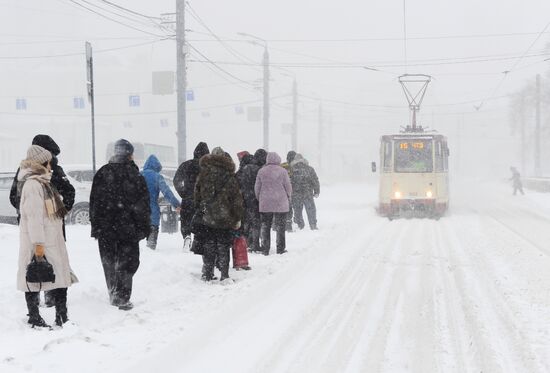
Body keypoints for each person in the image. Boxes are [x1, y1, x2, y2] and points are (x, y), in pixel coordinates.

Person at [10, 134, 75, 308]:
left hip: (49, 224)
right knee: (41, 262)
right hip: (38, 226)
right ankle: (43, 301)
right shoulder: (33, 176)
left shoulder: (39, 172)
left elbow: (69, 192)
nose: (52, 161)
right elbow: (17, 198)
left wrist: (57, 211)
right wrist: (32, 211)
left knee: (47, 262)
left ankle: (49, 296)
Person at [89, 139, 150, 310]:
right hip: (127, 229)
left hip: (105, 229)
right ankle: (122, 296)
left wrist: (96, 226)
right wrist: (143, 228)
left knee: (108, 261)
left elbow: (94, 202)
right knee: (127, 262)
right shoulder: (135, 176)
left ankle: (113, 291)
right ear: (130, 155)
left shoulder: (102, 173)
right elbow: (142, 206)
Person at [193, 147, 244, 281]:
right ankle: (225, 275)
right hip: (225, 216)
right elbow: (236, 199)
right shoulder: (229, 176)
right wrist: (237, 217)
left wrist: (200, 208)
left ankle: (208, 274)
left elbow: (197, 196)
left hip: (208, 216)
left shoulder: (203, 174)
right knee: (223, 246)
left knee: (209, 245)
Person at [173, 142, 210, 250]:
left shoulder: (186, 164)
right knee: (201, 221)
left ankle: (187, 236)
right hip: (202, 200)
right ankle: (199, 242)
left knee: (186, 220)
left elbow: (176, 180)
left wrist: (183, 192)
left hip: (188, 198)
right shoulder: (207, 166)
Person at [255, 152, 292, 255]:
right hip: (280, 202)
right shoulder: (283, 171)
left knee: (265, 226)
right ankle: (280, 248)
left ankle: (265, 248)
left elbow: (257, 188)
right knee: (280, 227)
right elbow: (288, 186)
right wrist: (288, 196)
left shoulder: (261, 171)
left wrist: (260, 198)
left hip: (265, 203)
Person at [141, 155, 181, 250]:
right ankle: (151, 251)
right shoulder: (157, 177)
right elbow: (167, 192)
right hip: (152, 212)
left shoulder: (138, 175)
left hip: (138, 212)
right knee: (151, 242)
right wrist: (177, 205)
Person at [239, 149, 267, 253]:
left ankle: (246, 242)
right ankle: (255, 244)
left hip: (244, 198)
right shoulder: (259, 169)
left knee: (246, 221)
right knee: (256, 222)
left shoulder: (245, 168)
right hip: (256, 198)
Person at [291, 154, 320, 230]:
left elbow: (290, 182)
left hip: (296, 193)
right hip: (307, 192)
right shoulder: (309, 169)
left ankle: (300, 224)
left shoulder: (292, 169)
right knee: (310, 209)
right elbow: (315, 181)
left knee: (297, 209)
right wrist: (316, 191)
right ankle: (313, 224)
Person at [281, 150, 297, 232]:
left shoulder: (283, 166)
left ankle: (277, 225)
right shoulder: (295, 167)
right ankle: (288, 225)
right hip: (291, 190)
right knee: (290, 208)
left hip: (280, 190)